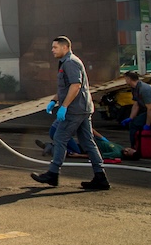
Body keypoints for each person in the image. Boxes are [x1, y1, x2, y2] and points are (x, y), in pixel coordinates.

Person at [31, 36, 110, 190]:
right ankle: (100, 177)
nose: (52, 50)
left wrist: (64, 106)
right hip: (82, 108)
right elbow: (65, 88)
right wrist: (54, 101)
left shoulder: (70, 62)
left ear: (65, 47)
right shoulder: (67, 62)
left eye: (55, 47)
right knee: (88, 142)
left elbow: (75, 85)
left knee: (60, 137)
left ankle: (53, 174)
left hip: (75, 110)